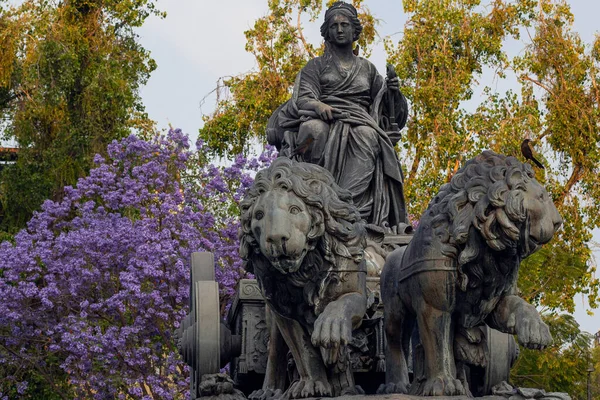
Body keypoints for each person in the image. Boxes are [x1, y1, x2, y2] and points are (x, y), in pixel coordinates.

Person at [267, 1, 409, 231]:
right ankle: (315, 195)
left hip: (359, 120)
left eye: (345, 25)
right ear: (327, 32)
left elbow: (387, 108)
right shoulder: (316, 66)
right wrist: (318, 106)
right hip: (324, 118)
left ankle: (346, 205)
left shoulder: (367, 69)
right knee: (314, 130)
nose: (340, 29)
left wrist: (393, 91)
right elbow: (302, 98)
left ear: (355, 31)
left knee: (367, 135)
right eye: (334, 26)